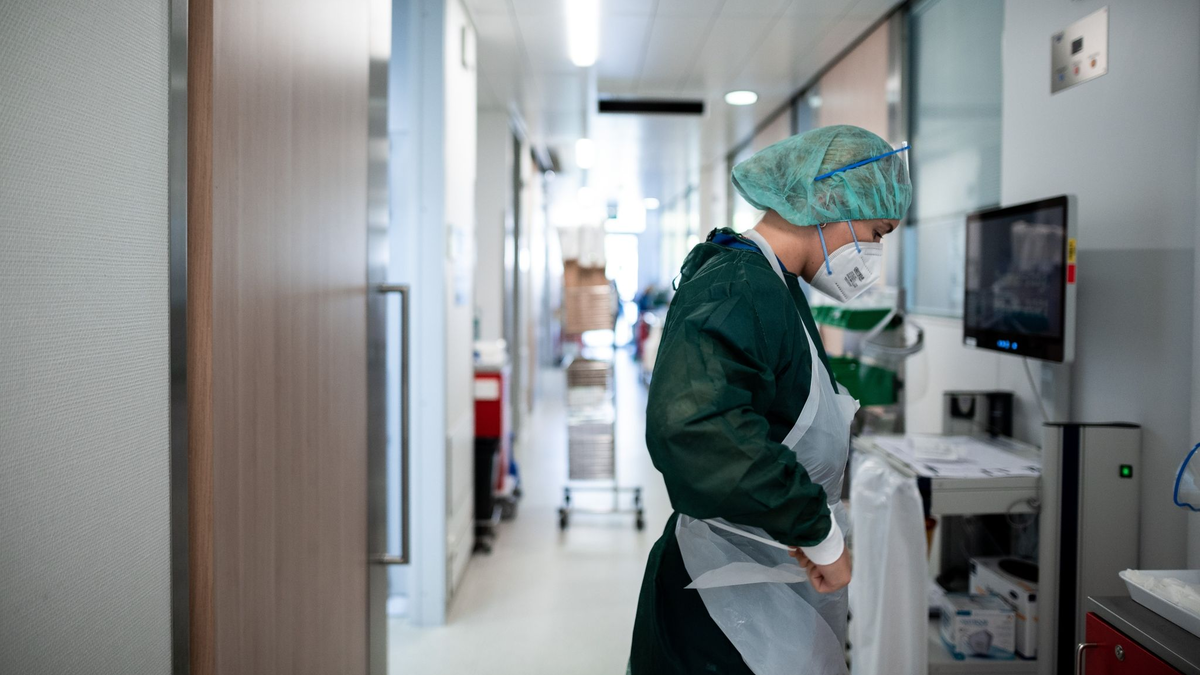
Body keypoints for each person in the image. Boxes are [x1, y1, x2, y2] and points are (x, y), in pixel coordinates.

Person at [628, 125, 911, 675]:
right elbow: (696, 428)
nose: (874, 252)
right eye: (876, 232)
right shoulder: (740, 284)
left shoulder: (777, 286)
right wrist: (817, 530)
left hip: (759, 582)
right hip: (720, 606)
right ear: (831, 199)